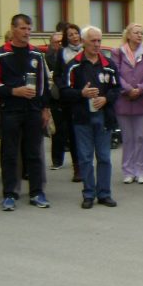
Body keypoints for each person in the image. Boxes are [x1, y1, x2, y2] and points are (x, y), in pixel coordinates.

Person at [0, 14, 52, 211]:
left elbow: (44, 84)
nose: (27, 32)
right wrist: (13, 91)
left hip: (33, 110)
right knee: (9, 153)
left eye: (29, 28)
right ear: (13, 29)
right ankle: (9, 193)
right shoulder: (0, 54)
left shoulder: (36, 54)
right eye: (23, 28)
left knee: (34, 152)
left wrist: (46, 108)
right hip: (10, 111)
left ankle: (36, 192)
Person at [59, 26, 120, 208]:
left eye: (99, 40)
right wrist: (81, 94)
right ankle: (88, 194)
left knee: (104, 157)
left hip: (104, 117)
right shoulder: (74, 65)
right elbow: (64, 91)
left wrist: (105, 98)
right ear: (83, 41)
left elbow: (117, 89)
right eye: (93, 41)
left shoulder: (109, 65)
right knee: (85, 158)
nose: (97, 44)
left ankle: (104, 194)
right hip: (82, 119)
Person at [111, 23, 143, 185]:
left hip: (142, 101)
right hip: (124, 101)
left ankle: (141, 171)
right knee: (128, 138)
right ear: (128, 35)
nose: (139, 35)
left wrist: (140, 89)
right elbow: (115, 74)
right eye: (136, 32)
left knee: (141, 137)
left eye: (141, 33)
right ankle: (128, 171)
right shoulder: (118, 53)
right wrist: (128, 89)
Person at [50, 23, 83, 183]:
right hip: (69, 99)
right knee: (73, 134)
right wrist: (64, 87)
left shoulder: (87, 49)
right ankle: (77, 167)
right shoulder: (62, 52)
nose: (74, 37)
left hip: (86, 96)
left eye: (76, 33)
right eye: (70, 34)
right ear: (66, 38)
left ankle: (87, 164)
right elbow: (57, 75)